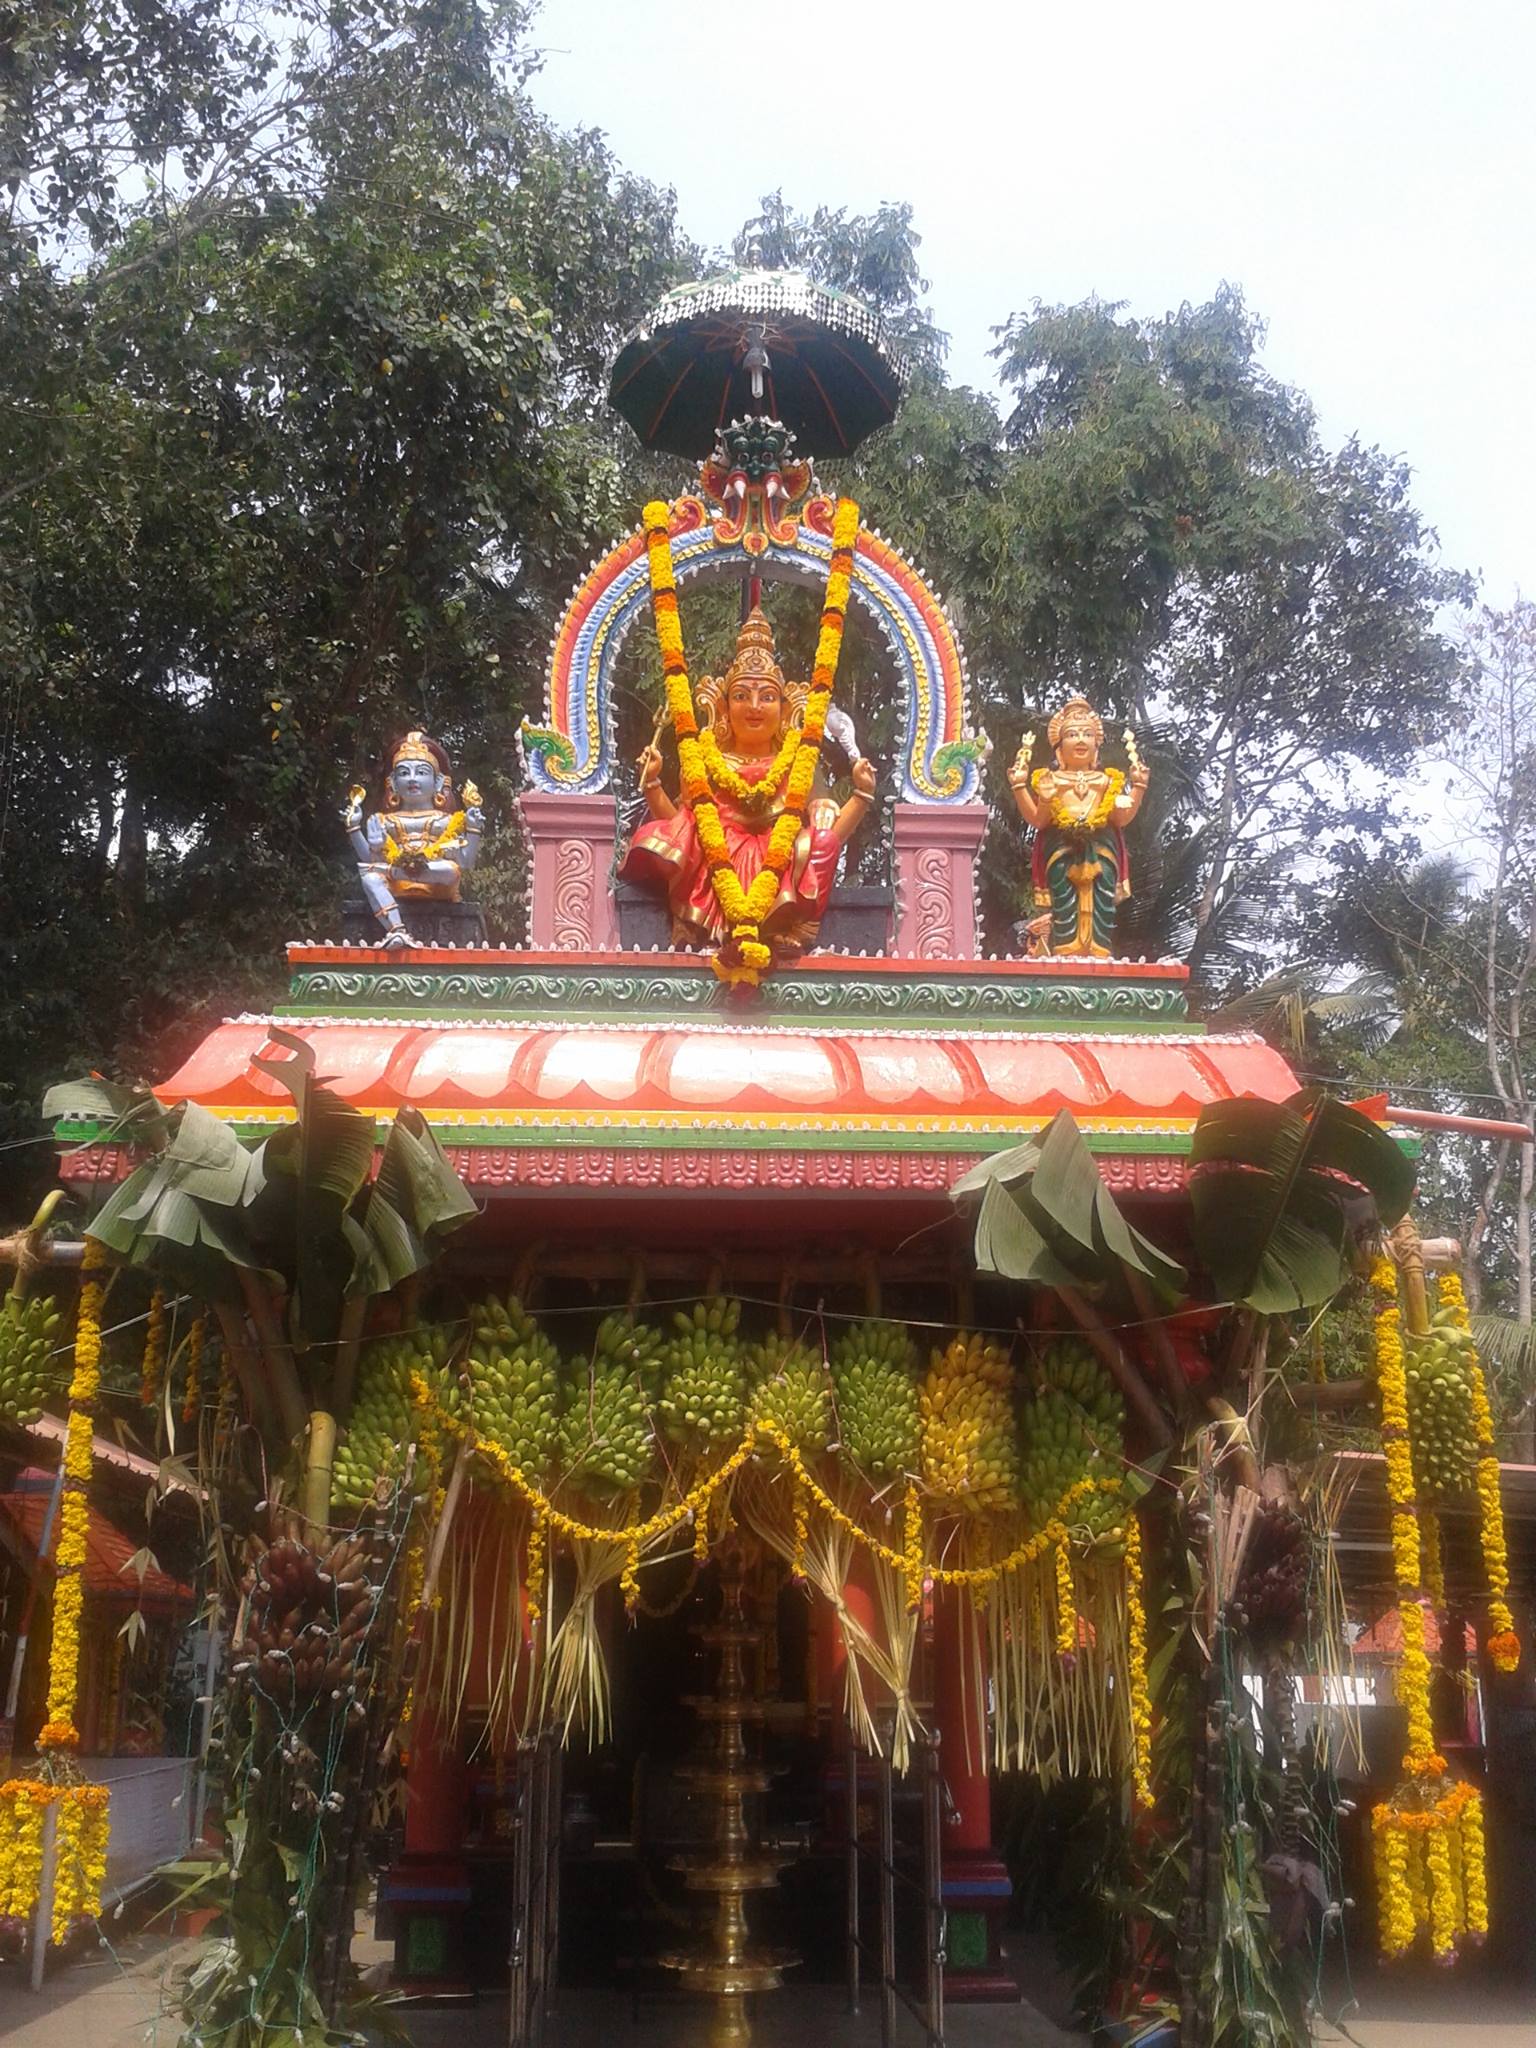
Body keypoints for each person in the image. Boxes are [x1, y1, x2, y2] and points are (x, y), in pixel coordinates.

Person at [621, 606, 876, 958]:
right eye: (741, 695)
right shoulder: (707, 760)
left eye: (767, 697)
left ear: (785, 710)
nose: (754, 706)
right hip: (716, 859)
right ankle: (691, 922)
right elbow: (676, 821)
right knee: (687, 826)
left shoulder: (798, 764)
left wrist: (862, 794)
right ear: (723, 708)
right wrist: (652, 784)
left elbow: (831, 837)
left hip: (780, 861)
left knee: (818, 839)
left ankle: (796, 928)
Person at [1007, 696, 1149, 958]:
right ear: (1059, 749)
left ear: (1097, 746)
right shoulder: (1050, 779)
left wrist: (1138, 787)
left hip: (1102, 848)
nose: (1081, 740)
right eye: (1072, 734)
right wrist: (1019, 787)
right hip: (1061, 849)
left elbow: (1121, 818)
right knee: (1065, 902)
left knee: (1102, 904)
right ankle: (1066, 950)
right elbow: (1039, 820)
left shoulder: (1107, 780)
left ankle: (1098, 951)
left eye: (1087, 734)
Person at [343, 731, 484, 949]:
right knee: (370, 878)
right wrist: (354, 829)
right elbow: (370, 858)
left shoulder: (448, 821)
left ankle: (402, 870)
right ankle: (397, 931)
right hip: (396, 884)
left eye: (421, 772)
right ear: (392, 784)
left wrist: (474, 829)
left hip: (437, 883)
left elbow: (466, 863)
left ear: (438, 783)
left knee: (450, 869)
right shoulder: (382, 821)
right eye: (404, 773)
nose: (412, 779)